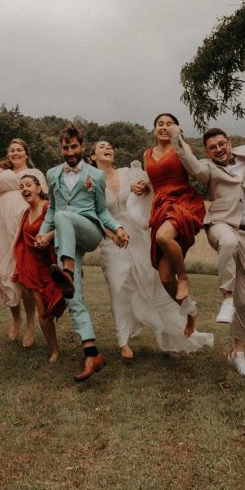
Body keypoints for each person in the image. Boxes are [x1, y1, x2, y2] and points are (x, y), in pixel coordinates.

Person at [169, 124, 245, 378]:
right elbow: (191, 165)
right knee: (228, 243)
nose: (218, 149)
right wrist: (176, 138)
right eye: (212, 148)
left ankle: (238, 353)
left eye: (221, 144)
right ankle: (225, 297)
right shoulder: (208, 168)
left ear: (229, 143)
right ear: (207, 151)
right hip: (220, 225)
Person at [90, 140, 213, 359]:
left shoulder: (128, 173)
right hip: (111, 240)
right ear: (92, 156)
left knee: (155, 283)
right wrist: (111, 234)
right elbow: (92, 212)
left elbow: (155, 187)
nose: (108, 148)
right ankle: (123, 341)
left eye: (110, 146)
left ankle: (184, 318)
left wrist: (143, 189)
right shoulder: (90, 180)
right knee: (118, 286)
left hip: (138, 235)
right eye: (102, 147)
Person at [36, 124, 129, 382]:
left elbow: (102, 211)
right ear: (61, 148)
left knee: (67, 217)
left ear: (82, 147)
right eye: (65, 148)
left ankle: (65, 270)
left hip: (88, 230)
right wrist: (44, 233)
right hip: (65, 239)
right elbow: (53, 211)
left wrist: (118, 228)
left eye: (74, 147)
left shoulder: (94, 176)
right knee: (72, 296)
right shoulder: (53, 174)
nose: (70, 152)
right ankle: (92, 353)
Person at [133, 113, 206, 336]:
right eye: (160, 124)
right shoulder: (147, 154)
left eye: (169, 124)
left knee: (163, 237)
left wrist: (180, 140)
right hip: (161, 206)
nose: (164, 127)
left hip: (183, 201)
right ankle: (190, 312)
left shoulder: (182, 147)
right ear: (154, 129)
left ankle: (184, 278)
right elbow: (152, 180)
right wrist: (142, 186)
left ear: (177, 128)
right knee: (165, 277)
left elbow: (194, 169)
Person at [0, 139, 46, 346]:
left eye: (19, 150)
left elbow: (44, 197)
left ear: (27, 153)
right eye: (11, 150)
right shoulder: (1, 172)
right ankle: (15, 318)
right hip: (2, 221)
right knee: (6, 272)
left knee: (24, 272)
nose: (15, 153)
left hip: (25, 221)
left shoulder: (36, 174)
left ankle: (29, 324)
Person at [12, 174, 64, 363]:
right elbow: (23, 242)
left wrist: (48, 237)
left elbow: (64, 226)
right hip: (33, 267)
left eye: (28, 185)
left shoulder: (48, 207)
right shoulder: (25, 213)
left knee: (59, 301)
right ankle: (55, 349)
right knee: (42, 311)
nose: (24, 189)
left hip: (52, 265)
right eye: (21, 186)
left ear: (39, 188)